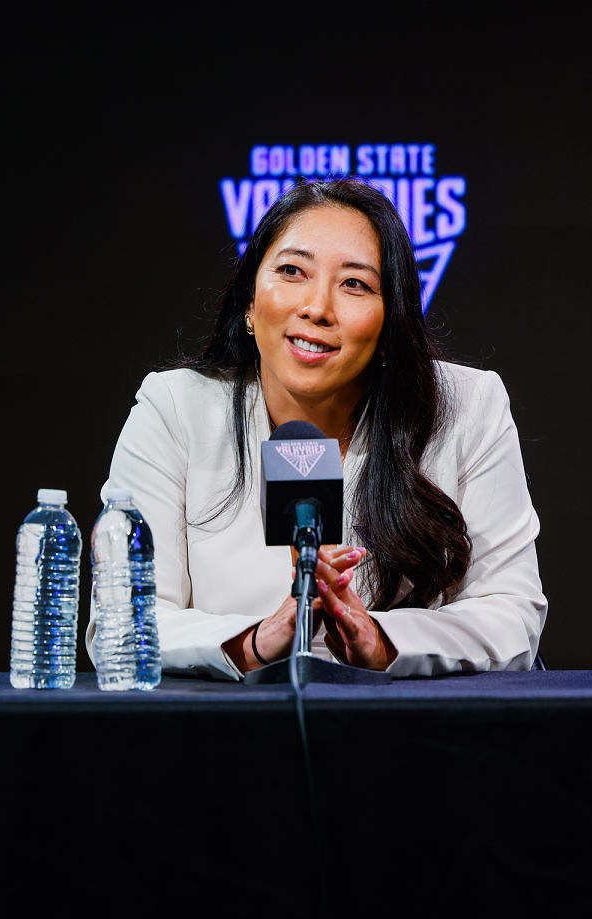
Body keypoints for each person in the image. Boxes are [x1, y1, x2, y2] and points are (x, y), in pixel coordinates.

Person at [87, 177, 545, 679]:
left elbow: (511, 614)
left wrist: (380, 641)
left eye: (355, 284)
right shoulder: (176, 408)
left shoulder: (467, 405)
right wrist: (257, 641)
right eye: (291, 271)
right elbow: (123, 624)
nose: (317, 308)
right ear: (248, 303)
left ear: (391, 324)